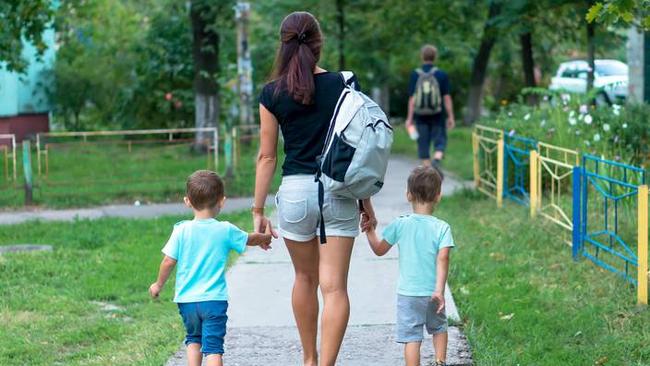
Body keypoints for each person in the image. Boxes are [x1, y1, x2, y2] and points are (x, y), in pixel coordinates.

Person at [252, 11, 376, 366]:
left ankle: (308, 359)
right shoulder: (344, 85)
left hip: (294, 194)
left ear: (283, 46)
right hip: (338, 191)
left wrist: (258, 211)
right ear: (319, 44)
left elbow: (266, 157)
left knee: (304, 279)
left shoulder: (272, 93)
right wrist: (365, 202)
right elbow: (356, 150)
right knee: (334, 287)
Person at [149, 170, 273, 366]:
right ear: (222, 202)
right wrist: (265, 238)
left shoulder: (181, 230)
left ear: (187, 201)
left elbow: (168, 261)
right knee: (213, 348)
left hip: (187, 300)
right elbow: (251, 238)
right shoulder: (225, 230)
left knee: (193, 339)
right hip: (214, 300)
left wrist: (158, 285)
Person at [362, 166, 454, 366]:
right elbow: (443, 257)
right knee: (439, 329)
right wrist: (439, 290)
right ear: (438, 196)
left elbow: (379, 249)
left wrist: (370, 230)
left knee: (412, 338)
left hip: (408, 294)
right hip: (433, 293)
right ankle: (440, 361)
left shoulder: (400, 224)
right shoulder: (442, 227)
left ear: (408, 195)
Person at [405, 44, 455, 169]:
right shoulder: (441, 75)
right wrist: (451, 116)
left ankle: (427, 171)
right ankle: (437, 159)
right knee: (440, 140)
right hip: (438, 115)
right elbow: (447, 98)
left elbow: (412, 99)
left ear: (422, 56)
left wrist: (409, 119)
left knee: (423, 143)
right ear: (435, 57)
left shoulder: (415, 75)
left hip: (420, 115)